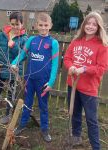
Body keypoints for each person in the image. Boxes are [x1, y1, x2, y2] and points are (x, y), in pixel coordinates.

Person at [11, 12, 59, 142]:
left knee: (43, 106)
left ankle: (44, 129)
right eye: (41, 25)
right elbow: (22, 54)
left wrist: (51, 82)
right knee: (27, 103)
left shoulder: (53, 43)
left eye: (46, 25)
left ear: (50, 25)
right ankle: (22, 124)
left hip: (43, 82)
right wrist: (14, 63)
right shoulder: (31, 40)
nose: (43, 28)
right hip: (29, 79)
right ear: (36, 25)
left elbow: (55, 65)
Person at [64, 11, 108, 150]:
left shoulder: (102, 46)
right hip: (73, 85)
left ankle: (96, 146)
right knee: (75, 112)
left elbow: (101, 68)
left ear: (99, 27)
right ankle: (76, 136)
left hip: (89, 89)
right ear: (83, 25)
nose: (90, 26)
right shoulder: (76, 41)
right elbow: (67, 58)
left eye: (94, 24)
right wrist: (70, 67)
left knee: (91, 119)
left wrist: (84, 69)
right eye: (88, 23)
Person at [0, 12, 28, 124]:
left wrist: (14, 46)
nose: (15, 27)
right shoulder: (2, 35)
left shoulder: (24, 39)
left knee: (11, 92)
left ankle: (7, 114)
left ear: (22, 24)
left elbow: (24, 55)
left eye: (17, 24)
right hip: (1, 67)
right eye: (12, 24)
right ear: (9, 23)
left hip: (13, 70)